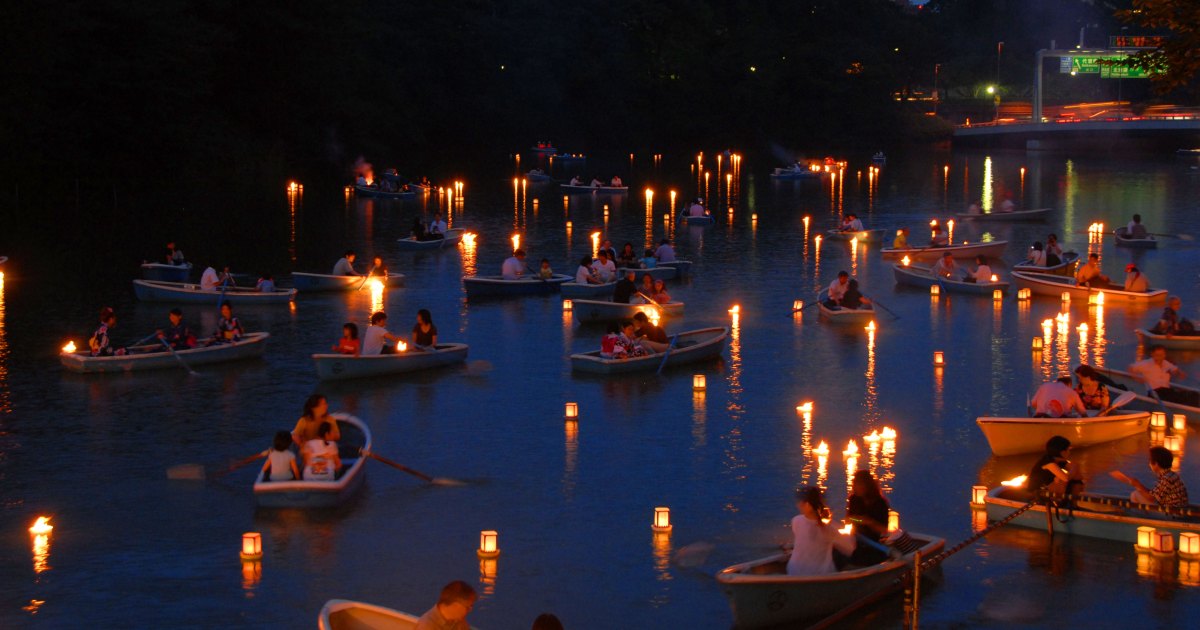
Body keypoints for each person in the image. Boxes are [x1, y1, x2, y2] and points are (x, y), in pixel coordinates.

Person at [787, 486, 855, 576]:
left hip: (793, 571)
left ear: (808, 505)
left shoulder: (795, 520)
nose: (798, 505)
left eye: (801, 502)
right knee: (840, 554)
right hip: (818, 574)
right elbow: (850, 547)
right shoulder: (828, 529)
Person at [1110, 446, 1189, 508]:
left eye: (1150, 461)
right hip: (1175, 510)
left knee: (1134, 495)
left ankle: (1140, 517)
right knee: (1138, 493)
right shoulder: (1171, 475)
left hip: (1172, 513)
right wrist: (1137, 485)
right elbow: (1155, 494)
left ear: (1156, 464)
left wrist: (1138, 485)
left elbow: (1152, 498)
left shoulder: (1166, 479)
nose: (1149, 464)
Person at [846, 470, 891, 564]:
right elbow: (848, 519)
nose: (853, 487)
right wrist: (859, 520)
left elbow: (884, 530)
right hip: (857, 542)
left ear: (866, 486)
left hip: (874, 544)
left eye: (857, 484)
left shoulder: (880, 503)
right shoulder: (854, 499)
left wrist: (870, 522)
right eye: (853, 484)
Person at [1129, 345, 1193, 405]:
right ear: (1152, 354)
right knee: (1176, 398)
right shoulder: (1146, 363)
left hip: (1166, 391)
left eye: (1162, 355)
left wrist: (1180, 373)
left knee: (1190, 395)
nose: (1160, 357)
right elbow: (1131, 368)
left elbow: (1175, 369)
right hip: (1154, 392)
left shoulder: (1166, 363)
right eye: (1157, 355)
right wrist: (1137, 378)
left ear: (1164, 355)